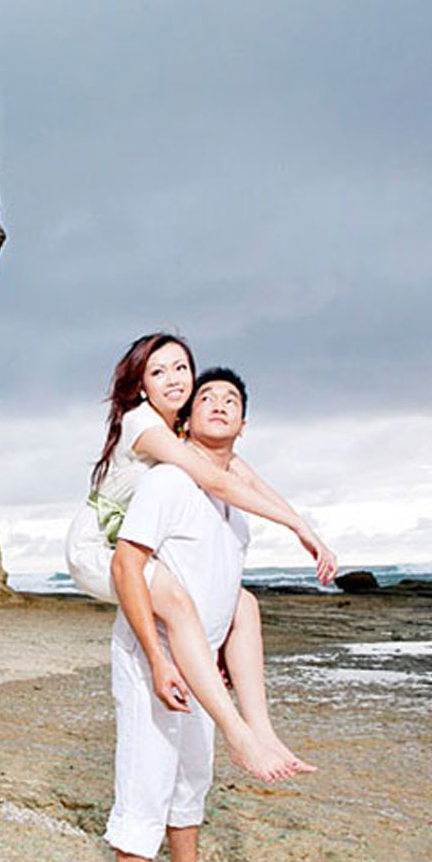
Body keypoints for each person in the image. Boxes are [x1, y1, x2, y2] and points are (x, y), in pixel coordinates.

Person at [66, 333, 333, 780]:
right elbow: (220, 483)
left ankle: (263, 730)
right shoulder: (144, 424)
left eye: (181, 368)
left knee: (241, 603)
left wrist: (304, 526)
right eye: (158, 371)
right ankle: (237, 734)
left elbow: (245, 477)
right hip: (94, 548)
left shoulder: (179, 429)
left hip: (126, 541)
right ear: (140, 386)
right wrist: (293, 528)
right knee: (176, 597)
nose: (173, 379)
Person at [107, 368, 267, 862]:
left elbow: (224, 588)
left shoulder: (235, 509)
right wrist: (156, 659)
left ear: (244, 425)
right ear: (186, 419)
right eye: (208, 399)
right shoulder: (170, 482)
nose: (220, 405)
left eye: (232, 401)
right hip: (154, 657)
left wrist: (221, 654)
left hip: (202, 663)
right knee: (146, 779)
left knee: (192, 776)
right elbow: (128, 568)